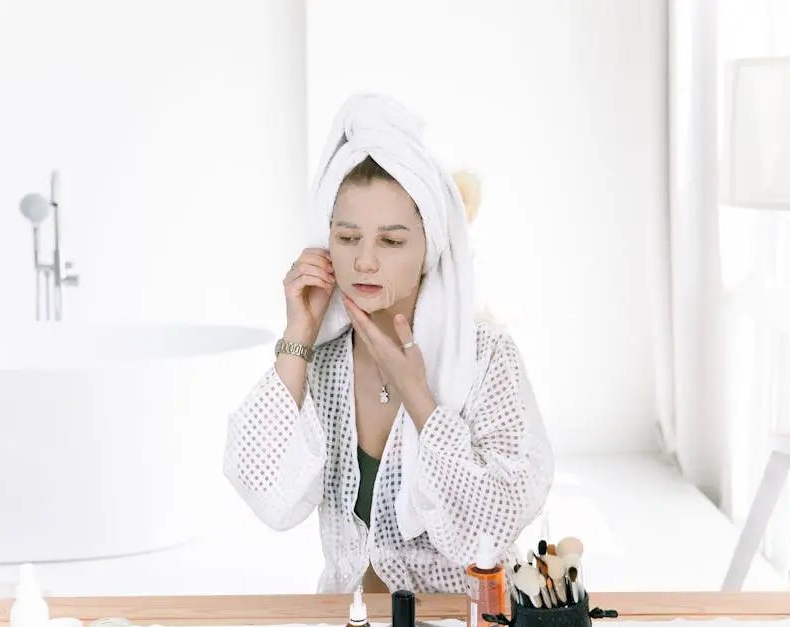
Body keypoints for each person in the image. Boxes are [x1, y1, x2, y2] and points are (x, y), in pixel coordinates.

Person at [223, 93, 553, 595]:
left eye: (392, 241)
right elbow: (267, 492)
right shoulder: (325, 362)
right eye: (348, 237)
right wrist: (298, 337)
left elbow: (497, 521)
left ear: (429, 246)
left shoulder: (486, 356)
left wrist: (418, 397)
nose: (365, 262)